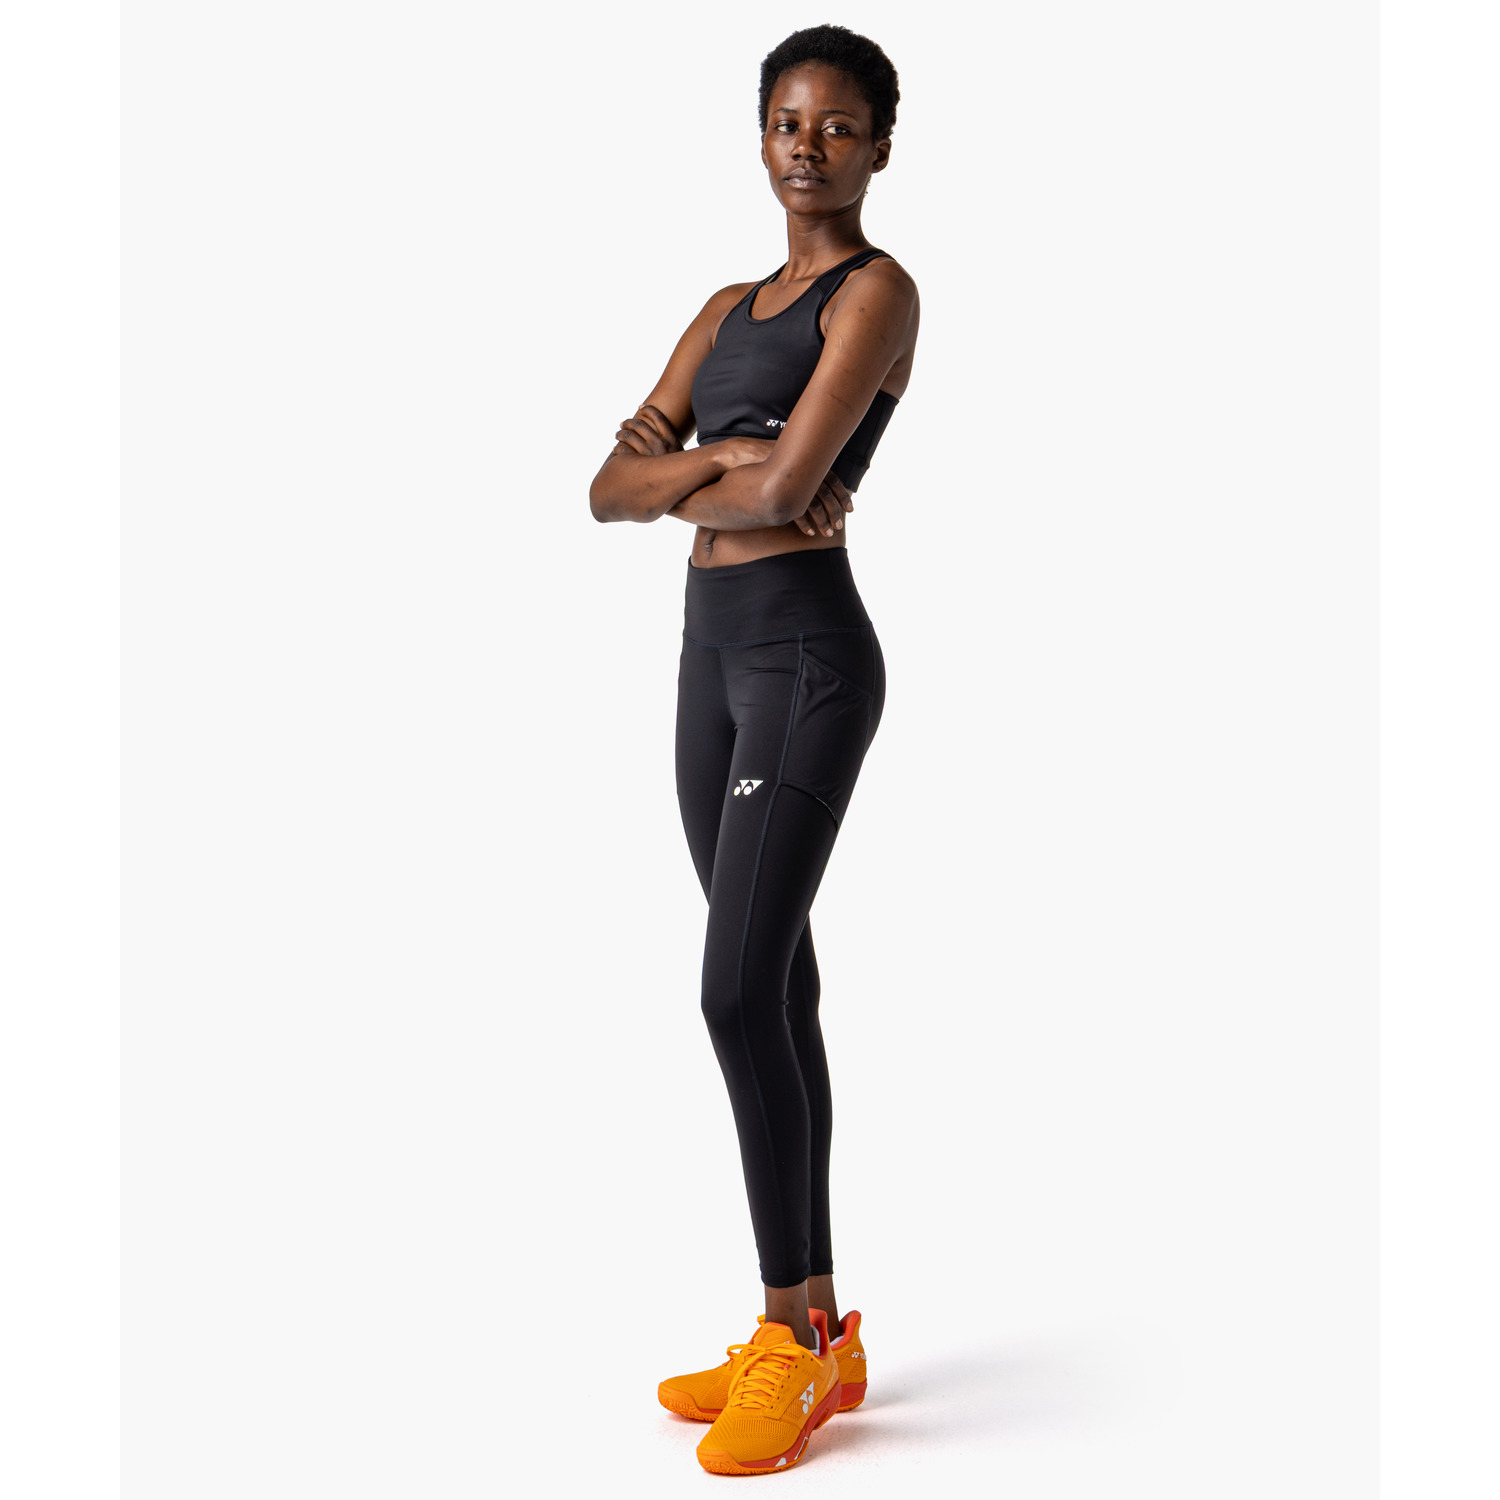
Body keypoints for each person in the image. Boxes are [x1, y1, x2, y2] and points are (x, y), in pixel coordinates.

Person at [589, 24, 919, 1477]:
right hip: (708, 662)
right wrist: (729, 464)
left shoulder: (878, 291)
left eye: (838, 126)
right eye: (789, 121)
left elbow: (790, 487)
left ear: (879, 147)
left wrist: (720, 468)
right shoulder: (727, 308)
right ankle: (816, 1333)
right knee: (775, 983)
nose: (808, 145)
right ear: (761, 135)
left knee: (733, 989)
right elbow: (604, 489)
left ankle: (791, 1340)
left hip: (805, 661)